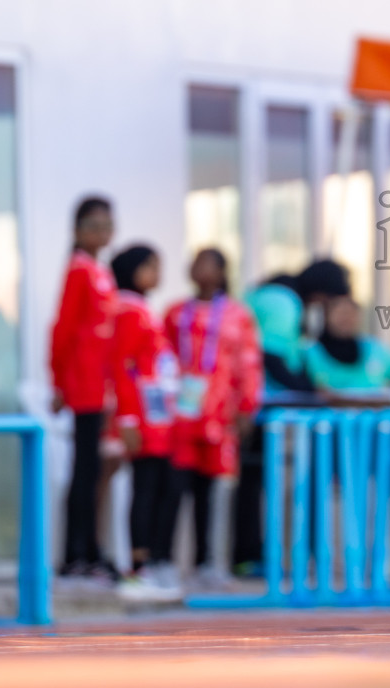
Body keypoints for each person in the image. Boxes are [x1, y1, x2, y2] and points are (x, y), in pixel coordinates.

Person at [161, 249, 264, 589]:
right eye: (196, 263)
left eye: (208, 263)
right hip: (180, 414)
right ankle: (164, 559)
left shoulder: (237, 315)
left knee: (213, 489)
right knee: (174, 486)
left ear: (222, 272)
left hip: (220, 415)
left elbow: (248, 363)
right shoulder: (175, 314)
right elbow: (160, 359)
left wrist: (247, 407)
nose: (200, 269)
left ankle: (208, 560)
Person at [50, 196, 119, 582]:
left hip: (102, 387)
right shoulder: (78, 270)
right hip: (83, 385)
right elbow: (62, 328)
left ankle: (92, 548)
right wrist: (58, 381)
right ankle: (76, 553)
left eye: (106, 225)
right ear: (77, 231)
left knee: (97, 471)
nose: (100, 232)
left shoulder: (100, 271)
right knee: (84, 470)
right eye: (91, 225)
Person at [110, 245, 183, 602]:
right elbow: (122, 366)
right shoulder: (126, 309)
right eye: (153, 267)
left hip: (159, 416)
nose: (159, 274)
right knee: (146, 487)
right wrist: (126, 419)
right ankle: (139, 565)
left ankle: (155, 559)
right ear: (134, 270)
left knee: (165, 486)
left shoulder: (141, 309)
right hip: (142, 417)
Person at [231, 275, 315, 577]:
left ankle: (250, 554)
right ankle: (253, 555)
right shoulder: (284, 300)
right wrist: (309, 390)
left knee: (251, 481)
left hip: (249, 403)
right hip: (263, 406)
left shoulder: (260, 295)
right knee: (257, 481)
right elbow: (271, 355)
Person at [303, 295, 390, 393]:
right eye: (340, 313)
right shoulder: (309, 352)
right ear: (327, 317)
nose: (345, 319)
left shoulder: (375, 349)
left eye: (350, 314)